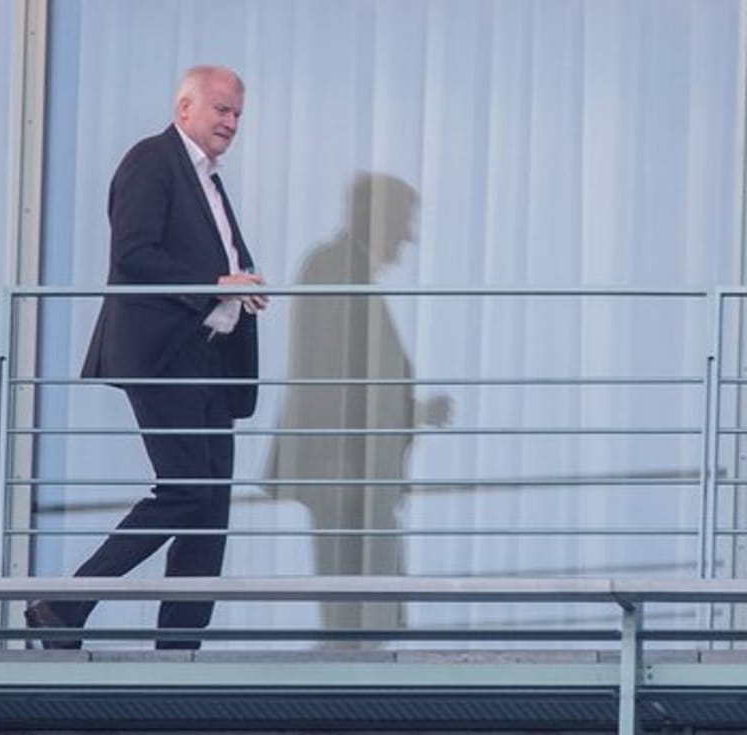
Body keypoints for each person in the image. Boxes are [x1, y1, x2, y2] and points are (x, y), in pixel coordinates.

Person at [24, 65, 267, 650]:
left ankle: (178, 653)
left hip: (210, 361)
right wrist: (219, 281)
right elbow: (133, 255)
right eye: (222, 110)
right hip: (165, 356)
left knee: (210, 510)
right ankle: (63, 605)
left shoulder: (207, 178)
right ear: (186, 107)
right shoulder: (152, 160)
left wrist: (239, 287)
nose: (232, 123)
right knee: (185, 490)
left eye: (238, 114)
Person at [264, 173, 450, 643]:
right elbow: (324, 372)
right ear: (377, 218)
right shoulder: (333, 269)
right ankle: (345, 698)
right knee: (357, 609)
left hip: (357, 472)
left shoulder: (344, 271)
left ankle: (354, 686)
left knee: (371, 607)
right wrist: (338, 459)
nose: (410, 236)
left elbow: (357, 382)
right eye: (404, 221)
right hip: (346, 473)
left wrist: (414, 409)